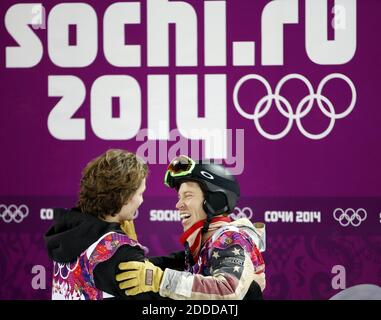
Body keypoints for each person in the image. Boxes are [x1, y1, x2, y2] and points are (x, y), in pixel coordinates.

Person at [116, 155, 266, 300]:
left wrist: (159, 279)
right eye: (179, 197)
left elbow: (228, 289)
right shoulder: (204, 247)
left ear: (215, 201)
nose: (178, 205)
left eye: (188, 195)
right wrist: (133, 248)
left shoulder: (231, 239)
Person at [44, 149, 184, 300]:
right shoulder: (118, 251)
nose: (142, 201)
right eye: (140, 193)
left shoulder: (70, 231)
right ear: (125, 197)